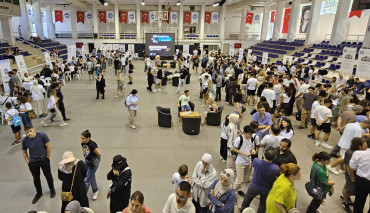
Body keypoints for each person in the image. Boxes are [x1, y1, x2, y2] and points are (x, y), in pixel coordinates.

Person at [22, 125, 55, 204]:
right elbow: (24, 152)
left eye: (30, 131)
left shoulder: (42, 135)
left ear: (34, 130)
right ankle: (39, 193)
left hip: (44, 160)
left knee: (48, 175)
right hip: (33, 162)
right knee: (36, 178)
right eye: (27, 132)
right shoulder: (25, 140)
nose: (29, 133)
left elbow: (48, 146)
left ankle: (52, 190)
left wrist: (47, 158)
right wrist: (28, 162)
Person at [240, 148, 280, 213]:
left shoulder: (256, 161)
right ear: (275, 157)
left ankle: (242, 210)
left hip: (254, 186)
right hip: (266, 190)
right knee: (263, 205)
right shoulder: (275, 168)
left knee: (247, 198)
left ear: (264, 154)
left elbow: (254, 163)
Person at [342, 137, 368, 212]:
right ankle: (345, 201)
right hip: (350, 173)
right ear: (358, 146)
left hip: (355, 173)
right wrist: (352, 177)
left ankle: (347, 198)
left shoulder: (357, 151)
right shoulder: (351, 153)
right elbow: (348, 166)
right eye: (364, 145)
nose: (366, 146)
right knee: (348, 187)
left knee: (351, 188)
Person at [231, 125, 256, 197]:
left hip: (248, 162)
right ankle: (232, 194)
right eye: (250, 134)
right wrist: (244, 153)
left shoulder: (250, 138)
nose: (251, 135)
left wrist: (252, 150)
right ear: (245, 133)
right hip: (240, 162)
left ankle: (239, 190)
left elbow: (250, 146)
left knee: (244, 178)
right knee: (239, 180)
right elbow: (234, 149)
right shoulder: (239, 139)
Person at [79, 130, 101, 201]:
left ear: (88, 138)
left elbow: (99, 154)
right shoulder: (83, 143)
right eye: (81, 138)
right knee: (91, 176)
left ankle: (82, 196)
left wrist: (98, 161)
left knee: (87, 179)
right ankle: (95, 190)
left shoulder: (92, 145)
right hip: (87, 160)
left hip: (93, 162)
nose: (81, 140)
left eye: (83, 138)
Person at [349, 138, 370, 213]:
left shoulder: (358, 153)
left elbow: (352, 166)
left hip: (361, 180)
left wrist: (361, 169)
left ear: (367, 144)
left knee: (359, 202)